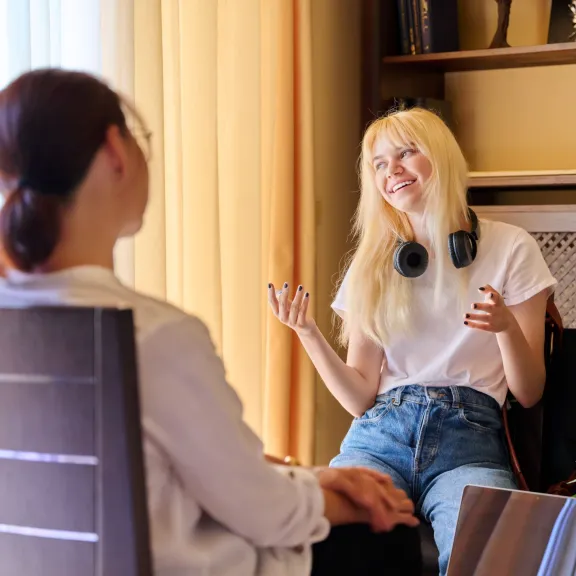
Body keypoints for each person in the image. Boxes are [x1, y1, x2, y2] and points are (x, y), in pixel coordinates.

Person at [0, 68, 423, 576]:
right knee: (394, 529)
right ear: (116, 151)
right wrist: (343, 499)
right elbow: (266, 513)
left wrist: (311, 479)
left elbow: (184, 472)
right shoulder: (155, 335)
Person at [269, 107, 557, 575]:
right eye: (379, 163)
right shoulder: (374, 264)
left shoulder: (511, 246)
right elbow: (361, 396)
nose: (392, 171)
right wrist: (307, 334)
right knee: (322, 539)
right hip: (379, 436)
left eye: (405, 153)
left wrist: (505, 327)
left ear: (441, 157)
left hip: (471, 439)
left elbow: (530, 392)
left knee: (493, 559)